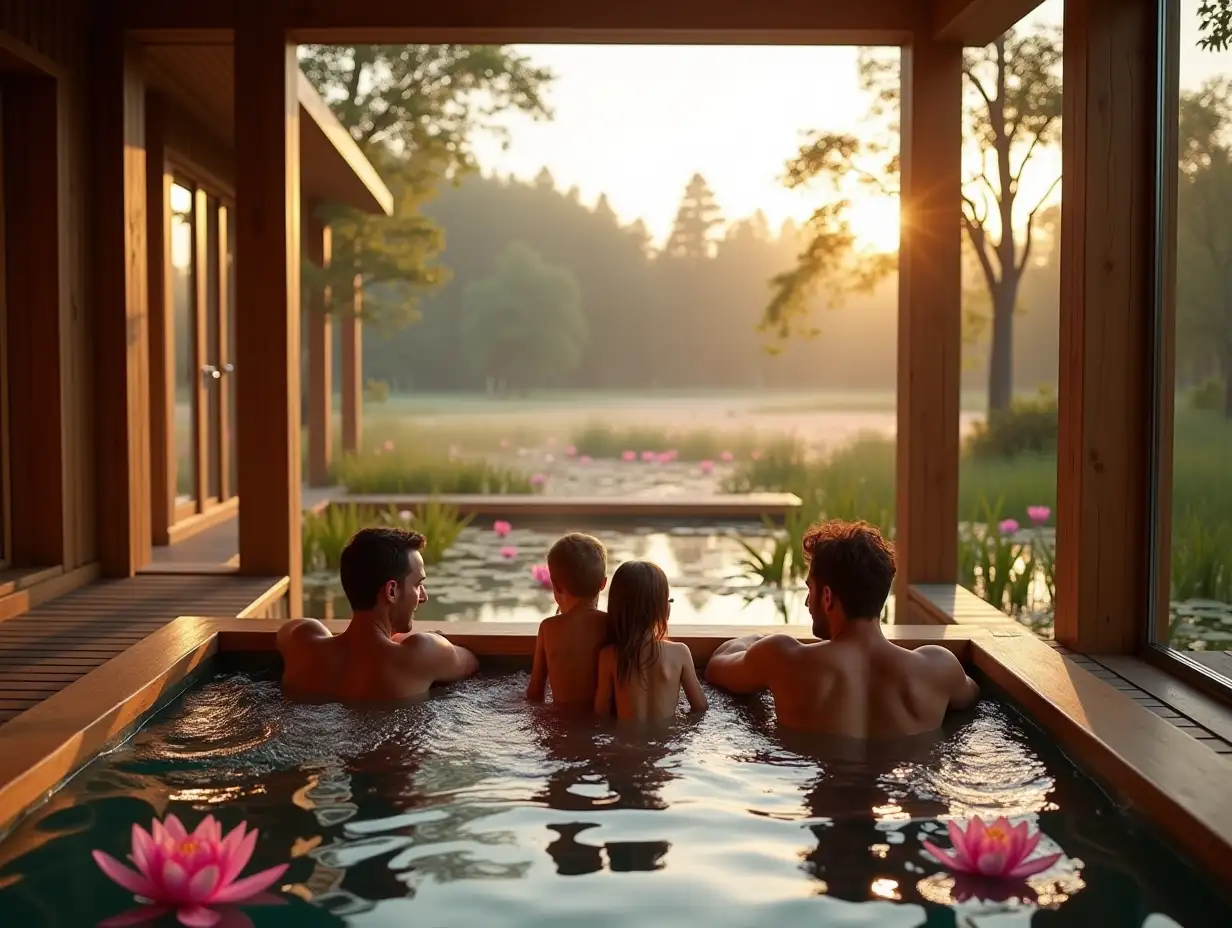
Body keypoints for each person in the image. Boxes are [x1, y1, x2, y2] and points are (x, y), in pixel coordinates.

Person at [705, 519, 978, 738]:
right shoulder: (938, 668)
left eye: (809, 589)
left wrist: (755, 639)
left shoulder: (784, 658)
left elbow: (717, 666)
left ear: (827, 596)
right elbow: (972, 696)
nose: (806, 601)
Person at [277, 527, 478, 702]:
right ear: (392, 591)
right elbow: (471, 661)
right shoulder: (420, 654)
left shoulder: (301, 640)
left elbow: (285, 633)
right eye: (418, 585)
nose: (423, 596)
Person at [593, 560, 708, 722]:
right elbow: (700, 707)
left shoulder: (609, 655)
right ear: (661, 607)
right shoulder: (680, 653)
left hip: (625, 743)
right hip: (668, 743)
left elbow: (601, 713)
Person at [525, 533, 611, 708]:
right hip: (599, 724)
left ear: (555, 586)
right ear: (603, 584)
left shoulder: (548, 628)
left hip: (559, 722)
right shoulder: (611, 624)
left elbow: (535, 692)